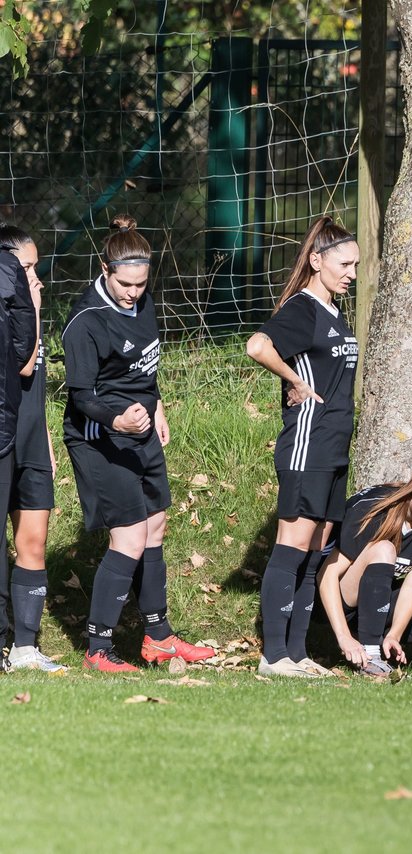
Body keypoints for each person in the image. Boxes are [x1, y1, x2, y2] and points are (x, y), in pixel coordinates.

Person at [63, 214, 213, 671]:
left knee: (155, 526)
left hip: (141, 431)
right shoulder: (86, 321)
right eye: (125, 284)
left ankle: (158, 637)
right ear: (105, 269)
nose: (134, 292)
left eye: (141, 284)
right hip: (100, 437)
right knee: (128, 536)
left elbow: (144, 368)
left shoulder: (143, 303)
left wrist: (158, 403)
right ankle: (98, 649)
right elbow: (81, 396)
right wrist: (118, 420)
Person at [247, 216, 360, 678]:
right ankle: (273, 656)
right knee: (292, 547)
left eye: (356, 264)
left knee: (316, 554)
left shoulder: (335, 311)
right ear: (316, 261)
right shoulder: (304, 307)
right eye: (344, 263)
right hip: (307, 445)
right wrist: (293, 378)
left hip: (334, 448)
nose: (352, 272)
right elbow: (257, 345)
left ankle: (297, 653)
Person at [317, 449, 412, 677]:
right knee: (384, 549)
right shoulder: (375, 510)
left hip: (373, 600)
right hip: (330, 598)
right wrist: (343, 637)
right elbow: (326, 575)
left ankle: (378, 642)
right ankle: (369, 658)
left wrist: (395, 634)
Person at [0, 226, 64, 672]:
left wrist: (44, 438)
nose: (35, 278)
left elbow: (36, 389)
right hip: (5, 442)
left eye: (37, 268)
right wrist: (34, 309)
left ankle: (25, 646)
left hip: (32, 443)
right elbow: (23, 365)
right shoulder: (17, 315)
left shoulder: (29, 307)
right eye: (26, 268)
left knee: (34, 542)